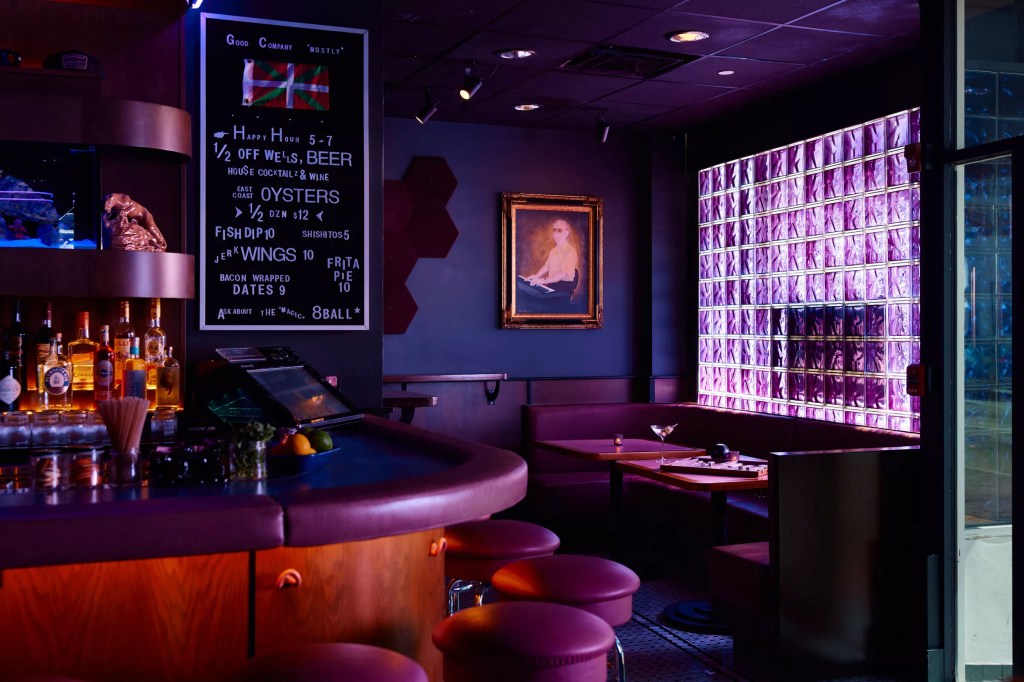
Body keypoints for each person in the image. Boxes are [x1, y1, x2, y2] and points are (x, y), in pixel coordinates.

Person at [523, 218, 578, 294]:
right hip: (552, 283)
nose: (556, 233)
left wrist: (542, 280)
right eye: (554, 230)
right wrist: (536, 276)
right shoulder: (553, 251)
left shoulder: (571, 252)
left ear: (567, 233)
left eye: (559, 230)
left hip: (565, 287)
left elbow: (562, 274)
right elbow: (547, 266)